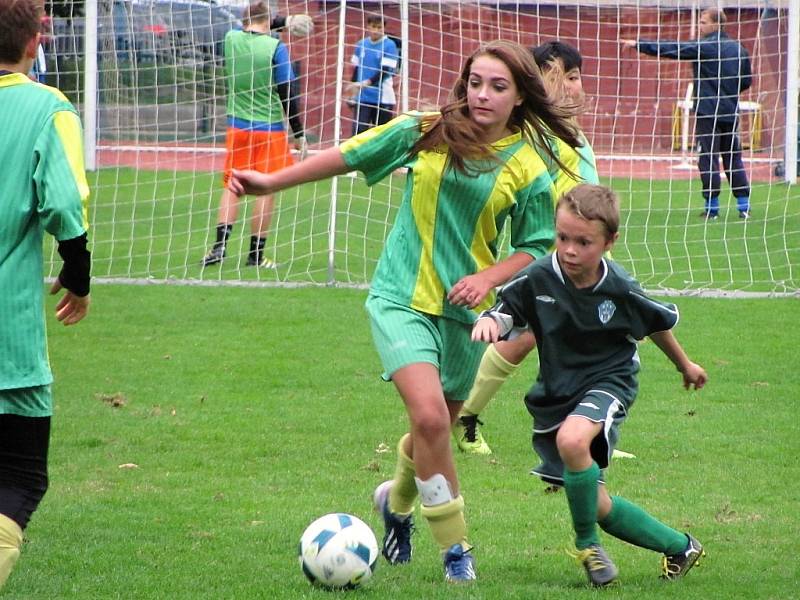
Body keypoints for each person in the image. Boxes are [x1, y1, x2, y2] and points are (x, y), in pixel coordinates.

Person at [228, 40, 582, 582]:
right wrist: (272, 181)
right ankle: (456, 550)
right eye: (475, 82)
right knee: (432, 418)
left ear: (518, 98)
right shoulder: (427, 128)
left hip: (467, 316)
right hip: (400, 297)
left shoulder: (530, 165)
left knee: (431, 432)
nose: (481, 95)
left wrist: (487, 278)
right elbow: (353, 153)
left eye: (497, 86)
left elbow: (537, 246)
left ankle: (395, 505)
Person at [472, 183, 708, 587]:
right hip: (556, 390)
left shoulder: (618, 286)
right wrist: (492, 321)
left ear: (609, 241)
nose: (570, 250)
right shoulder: (540, 276)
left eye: (583, 242)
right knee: (594, 502)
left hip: (609, 380)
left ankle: (588, 547)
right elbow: (508, 309)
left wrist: (684, 364)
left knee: (573, 441)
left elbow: (655, 325)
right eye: (563, 238)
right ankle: (680, 546)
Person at [453, 41, 599, 455]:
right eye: (565, 77)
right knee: (526, 335)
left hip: (579, 253)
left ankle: (591, 429)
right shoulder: (534, 135)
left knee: (585, 335)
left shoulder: (572, 131)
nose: (575, 85)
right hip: (550, 252)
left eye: (576, 76)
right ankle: (465, 413)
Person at [0, 0, 92, 589]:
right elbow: (63, 206)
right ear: (36, 39)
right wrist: (78, 280)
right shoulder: (46, 106)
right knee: (20, 478)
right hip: (9, 342)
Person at [201, 1, 306, 269]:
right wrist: (300, 134)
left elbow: (253, 25)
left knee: (232, 187)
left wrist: (282, 22)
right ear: (268, 19)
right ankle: (255, 255)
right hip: (269, 129)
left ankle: (219, 247)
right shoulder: (275, 48)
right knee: (266, 190)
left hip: (237, 127)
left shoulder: (231, 39)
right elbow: (288, 94)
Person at [621, 8, 752, 220]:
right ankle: (743, 206)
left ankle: (712, 208)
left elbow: (674, 48)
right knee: (733, 157)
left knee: (708, 157)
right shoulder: (739, 49)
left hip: (708, 112)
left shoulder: (706, 46)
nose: (700, 26)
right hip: (730, 111)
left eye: (702, 22)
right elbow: (746, 81)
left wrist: (639, 44)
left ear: (715, 25)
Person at [346, 13, 399, 136]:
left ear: (384, 28)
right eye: (373, 27)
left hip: (383, 97)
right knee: (359, 133)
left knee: (382, 135)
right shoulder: (361, 45)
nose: (376, 30)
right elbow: (357, 69)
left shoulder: (389, 45)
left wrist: (366, 83)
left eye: (379, 27)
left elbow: (385, 71)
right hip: (363, 97)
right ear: (368, 27)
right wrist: (353, 91)